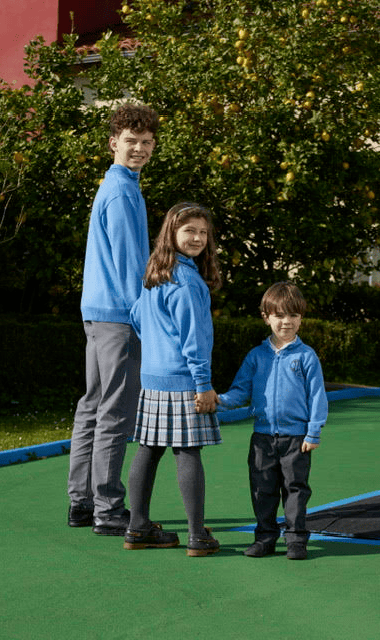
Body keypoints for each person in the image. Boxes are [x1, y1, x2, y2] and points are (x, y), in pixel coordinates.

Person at [67, 103, 159, 536]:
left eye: (146, 142)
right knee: (115, 411)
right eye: (131, 141)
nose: (139, 148)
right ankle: (107, 508)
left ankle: (82, 503)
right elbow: (129, 267)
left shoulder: (117, 185)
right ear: (113, 143)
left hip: (99, 313)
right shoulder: (122, 191)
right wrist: (145, 318)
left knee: (93, 406)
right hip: (119, 316)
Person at [123, 202, 223, 556]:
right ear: (172, 233)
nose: (197, 238)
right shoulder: (188, 282)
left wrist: (157, 347)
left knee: (148, 450)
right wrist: (203, 384)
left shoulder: (156, 274)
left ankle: (137, 528)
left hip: (152, 378)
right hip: (182, 380)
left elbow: (136, 317)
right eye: (189, 231)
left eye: (203, 232)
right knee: (187, 451)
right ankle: (198, 536)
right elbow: (194, 340)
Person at [218, 281, 328, 560]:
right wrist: (218, 401)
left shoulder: (306, 356)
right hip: (262, 438)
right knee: (262, 489)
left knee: (295, 489)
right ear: (266, 317)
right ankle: (265, 538)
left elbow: (317, 396)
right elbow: (240, 390)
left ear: (301, 318)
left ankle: (296, 540)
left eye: (293, 315)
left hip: (296, 439)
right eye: (279, 315)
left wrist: (313, 432)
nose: (286, 321)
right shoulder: (256, 356)